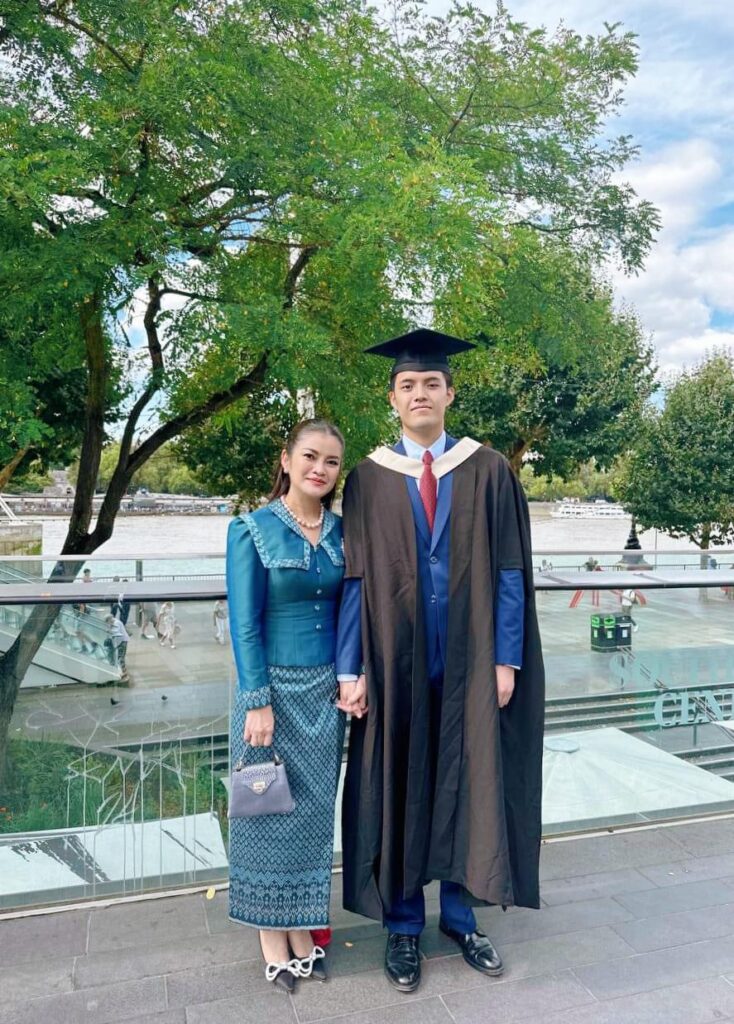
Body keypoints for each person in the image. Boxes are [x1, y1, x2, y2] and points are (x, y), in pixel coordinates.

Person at [336, 328, 545, 994]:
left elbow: (509, 570)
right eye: (408, 385)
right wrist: (349, 668)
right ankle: (403, 926)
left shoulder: (488, 470)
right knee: (398, 781)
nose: (419, 393)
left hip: (472, 659)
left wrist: (506, 659)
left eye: (431, 383)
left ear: (450, 394)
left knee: (470, 779)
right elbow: (355, 579)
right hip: (393, 662)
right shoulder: (368, 478)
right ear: (392, 399)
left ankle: (460, 917)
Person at [226, 418, 347, 993]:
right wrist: (257, 701)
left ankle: (300, 925)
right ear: (286, 459)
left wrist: (352, 677)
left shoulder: (344, 532)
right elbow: (244, 624)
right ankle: (270, 936)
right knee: (267, 811)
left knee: (312, 816)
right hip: (269, 695)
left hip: (325, 696)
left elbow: (354, 611)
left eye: (331, 461)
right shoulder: (250, 530)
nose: (319, 469)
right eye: (310, 456)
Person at [104, 614, 130, 681]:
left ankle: (124, 672)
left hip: (123, 641)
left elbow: (116, 631)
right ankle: (123, 671)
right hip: (121, 641)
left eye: (107, 621)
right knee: (120, 657)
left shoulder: (116, 623)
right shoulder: (114, 622)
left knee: (121, 657)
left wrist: (109, 630)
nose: (108, 623)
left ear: (109, 619)